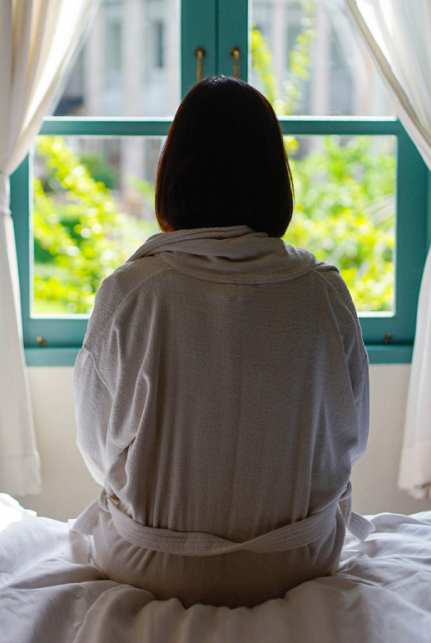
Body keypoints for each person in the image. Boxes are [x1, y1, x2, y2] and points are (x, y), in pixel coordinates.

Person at [71, 75, 371, 608]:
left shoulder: (131, 292)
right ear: (275, 178)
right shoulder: (323, 292)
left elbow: (98, 450)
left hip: (153, 565)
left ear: (172, 175)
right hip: (300, 560)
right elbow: (349, 444)